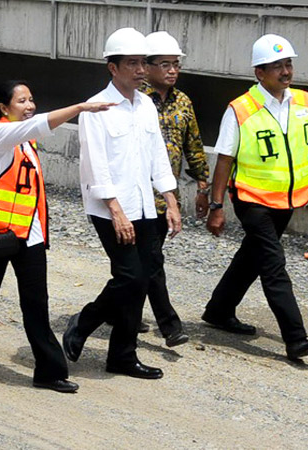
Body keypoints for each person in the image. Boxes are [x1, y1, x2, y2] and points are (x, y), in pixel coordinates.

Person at [203, 34, 308, 361]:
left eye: (288, 63)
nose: (285, 71)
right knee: (273, 265)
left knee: (252, 257)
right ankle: (296, 339)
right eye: (277, 66)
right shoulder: (240, 110)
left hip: (287, 201)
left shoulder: (305, 102)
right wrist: (216, 206)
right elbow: (224, 159)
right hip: (252, 200)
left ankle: (219, 311)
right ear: (259, 72)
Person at [0, 80, 113, 393]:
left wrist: (40, 235)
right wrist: (80, 108)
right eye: (22, 101)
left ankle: (49, 372)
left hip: (28, 236)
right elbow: (40, 125)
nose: (30, 106)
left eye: (31, 100)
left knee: (37, 303)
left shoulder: (26, 142)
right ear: (3, 108)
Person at [62, 28, 182, 380]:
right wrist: (116, 210)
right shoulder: (95, 109)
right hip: (110, 208)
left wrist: (171, 201)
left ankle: (122, 356)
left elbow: (158, 157)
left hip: (145, 205)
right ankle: (83, 322)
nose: (141, 69)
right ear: (112, 68)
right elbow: (95, 166)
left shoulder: (145, 105)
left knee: (140, 281)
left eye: (143, 62)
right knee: (130, 276)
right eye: (132, 63)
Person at [136, 31, 210, 347]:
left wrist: (203, 183)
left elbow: (193, 143)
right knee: (151, 260)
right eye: (164, 64)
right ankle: (170, 326)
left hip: (166, 198)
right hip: (135, 195)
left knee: (143, 261)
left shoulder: (183, 102)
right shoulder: (135, 99)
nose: (172, 71)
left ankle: (117, 309)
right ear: (147, 66)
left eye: (175, 64)